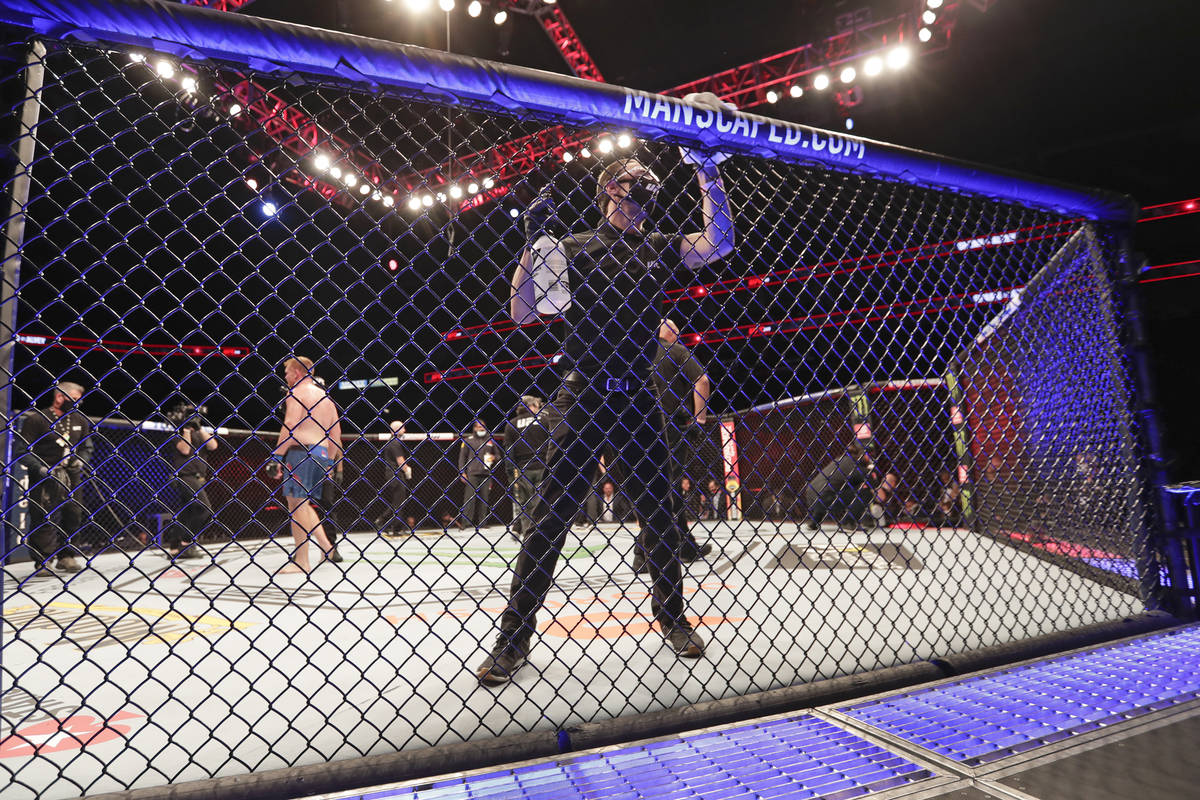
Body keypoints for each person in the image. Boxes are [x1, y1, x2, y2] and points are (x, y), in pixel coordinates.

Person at [477, 97, 735, 685]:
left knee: (662, 514)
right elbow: (520, 313)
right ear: (606, 192)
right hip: (584, 390)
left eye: (641, 180)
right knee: (548, 520)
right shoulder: (573, 248)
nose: (636, 186)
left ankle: (672, 617)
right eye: (624, 180)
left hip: (638, 393)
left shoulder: (658, 246)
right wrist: (531, 244)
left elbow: (718, 242)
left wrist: (707, 169)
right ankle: (513, 639)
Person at [629, 319, 713, 573]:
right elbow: (702, 381)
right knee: (665, 487)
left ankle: (685, 545)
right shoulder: (675, 350)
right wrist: (699, 418)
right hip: (671, 427)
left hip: (639, 428)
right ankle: (642, 552)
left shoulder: (638, 353)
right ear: (671, 333)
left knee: (653, 485)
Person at [269, 357, 342, 573]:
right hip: (320, 453)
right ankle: (327, 547)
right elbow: (335, 435)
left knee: (297, 506)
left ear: (298, 373)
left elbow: (290, 425)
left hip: (301, 452)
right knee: (303, 504)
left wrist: (277, 456)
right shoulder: (326, 399)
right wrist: (329, 462)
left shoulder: (296, 393)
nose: (285, 377)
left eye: (288, 372)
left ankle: (302, 561)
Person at [16, 381, 93, 573]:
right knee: (43, 515)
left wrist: (80, 461)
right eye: (74, 399)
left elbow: (87, 447)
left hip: (71, 476)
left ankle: (67, 556)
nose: (78, 403)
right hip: (44, 475)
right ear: (60, 397)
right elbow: (21, 451)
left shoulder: (80, 420)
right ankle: (43, 559)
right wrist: (40, 469)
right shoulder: (37, 419)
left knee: (73, 514)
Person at [161, 401, 218, 560]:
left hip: (198, 478)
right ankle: (186, 543)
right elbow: (185, 449)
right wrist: (186, 429)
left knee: (187, 513)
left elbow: (213, 445)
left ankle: (175, 546)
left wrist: (199, 427)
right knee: (204, 509)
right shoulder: (176, 433)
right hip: (184, 477)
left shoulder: (200, 433)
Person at [502, 396, 552, 543]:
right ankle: (541, 535)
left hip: (523, 469)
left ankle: (527, 535)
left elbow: (509, 452)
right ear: (531, 406)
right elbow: (553, 444)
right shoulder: (545, 421)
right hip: (543, 467)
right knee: (542, 503)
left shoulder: (512, 424)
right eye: (537, 406)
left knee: (524, 505)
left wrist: (511, 473)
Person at [802, 442, 875, 531]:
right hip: (825, 498)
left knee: (836, 488)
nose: (870, 458)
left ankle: (814, 521)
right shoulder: (853, 464)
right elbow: (872, 481)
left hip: (811, 498)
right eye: (869, 455)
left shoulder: (839, 460)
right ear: (862, 455)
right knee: (866, 493)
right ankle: (848, 522)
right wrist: (870, 470)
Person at [458, 419, 501, 530]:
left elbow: (498, 455)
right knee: (469, 499)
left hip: (486, 473)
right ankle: (466, 523)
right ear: (475, 428)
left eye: (483, 427)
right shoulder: (468, 440)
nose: (481, 429)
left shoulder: (490, 440)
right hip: (472, 473)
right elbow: (462, 457)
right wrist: (462, 472)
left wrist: (494, 458)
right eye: (479, 427)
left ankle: (482, 522)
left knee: (484, 499)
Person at [380, 420, 415, 538]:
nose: (404, 430)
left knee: (396, 501)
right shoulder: (395, 443)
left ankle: (383, 522)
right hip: (396, 475)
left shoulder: (391, 442)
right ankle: (394, 527)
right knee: (399, 502)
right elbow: (400, 461)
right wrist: (407, 469)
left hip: (391, 474)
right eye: (402, 428)